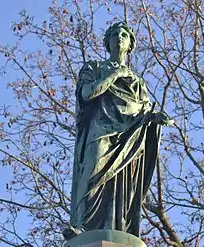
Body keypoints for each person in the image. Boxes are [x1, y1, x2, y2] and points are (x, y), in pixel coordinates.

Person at [67, 22, 173, 239]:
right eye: (114, 34)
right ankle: (84, 227)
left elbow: (142, 112)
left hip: (128, 139)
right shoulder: (94, 68)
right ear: (107, 42)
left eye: (124, 34)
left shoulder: (137, 83)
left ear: (130, 45)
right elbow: (86, 94)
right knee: (92, 173)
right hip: (101, 131)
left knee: (122, 188)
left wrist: (155, 118)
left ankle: (119, 229)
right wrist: (114, 75)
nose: (119, 37)